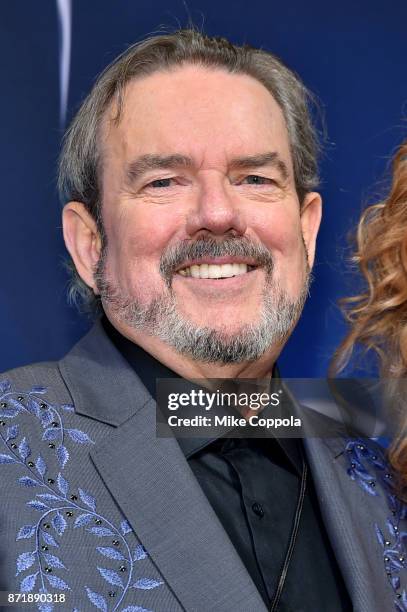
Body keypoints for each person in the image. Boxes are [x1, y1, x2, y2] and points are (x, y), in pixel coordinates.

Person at [0, 30, 402, 612]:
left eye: (255, 179)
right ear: (90, 245)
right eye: (164, 181)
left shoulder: (382, 465)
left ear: (307, 232)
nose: (217, 214)